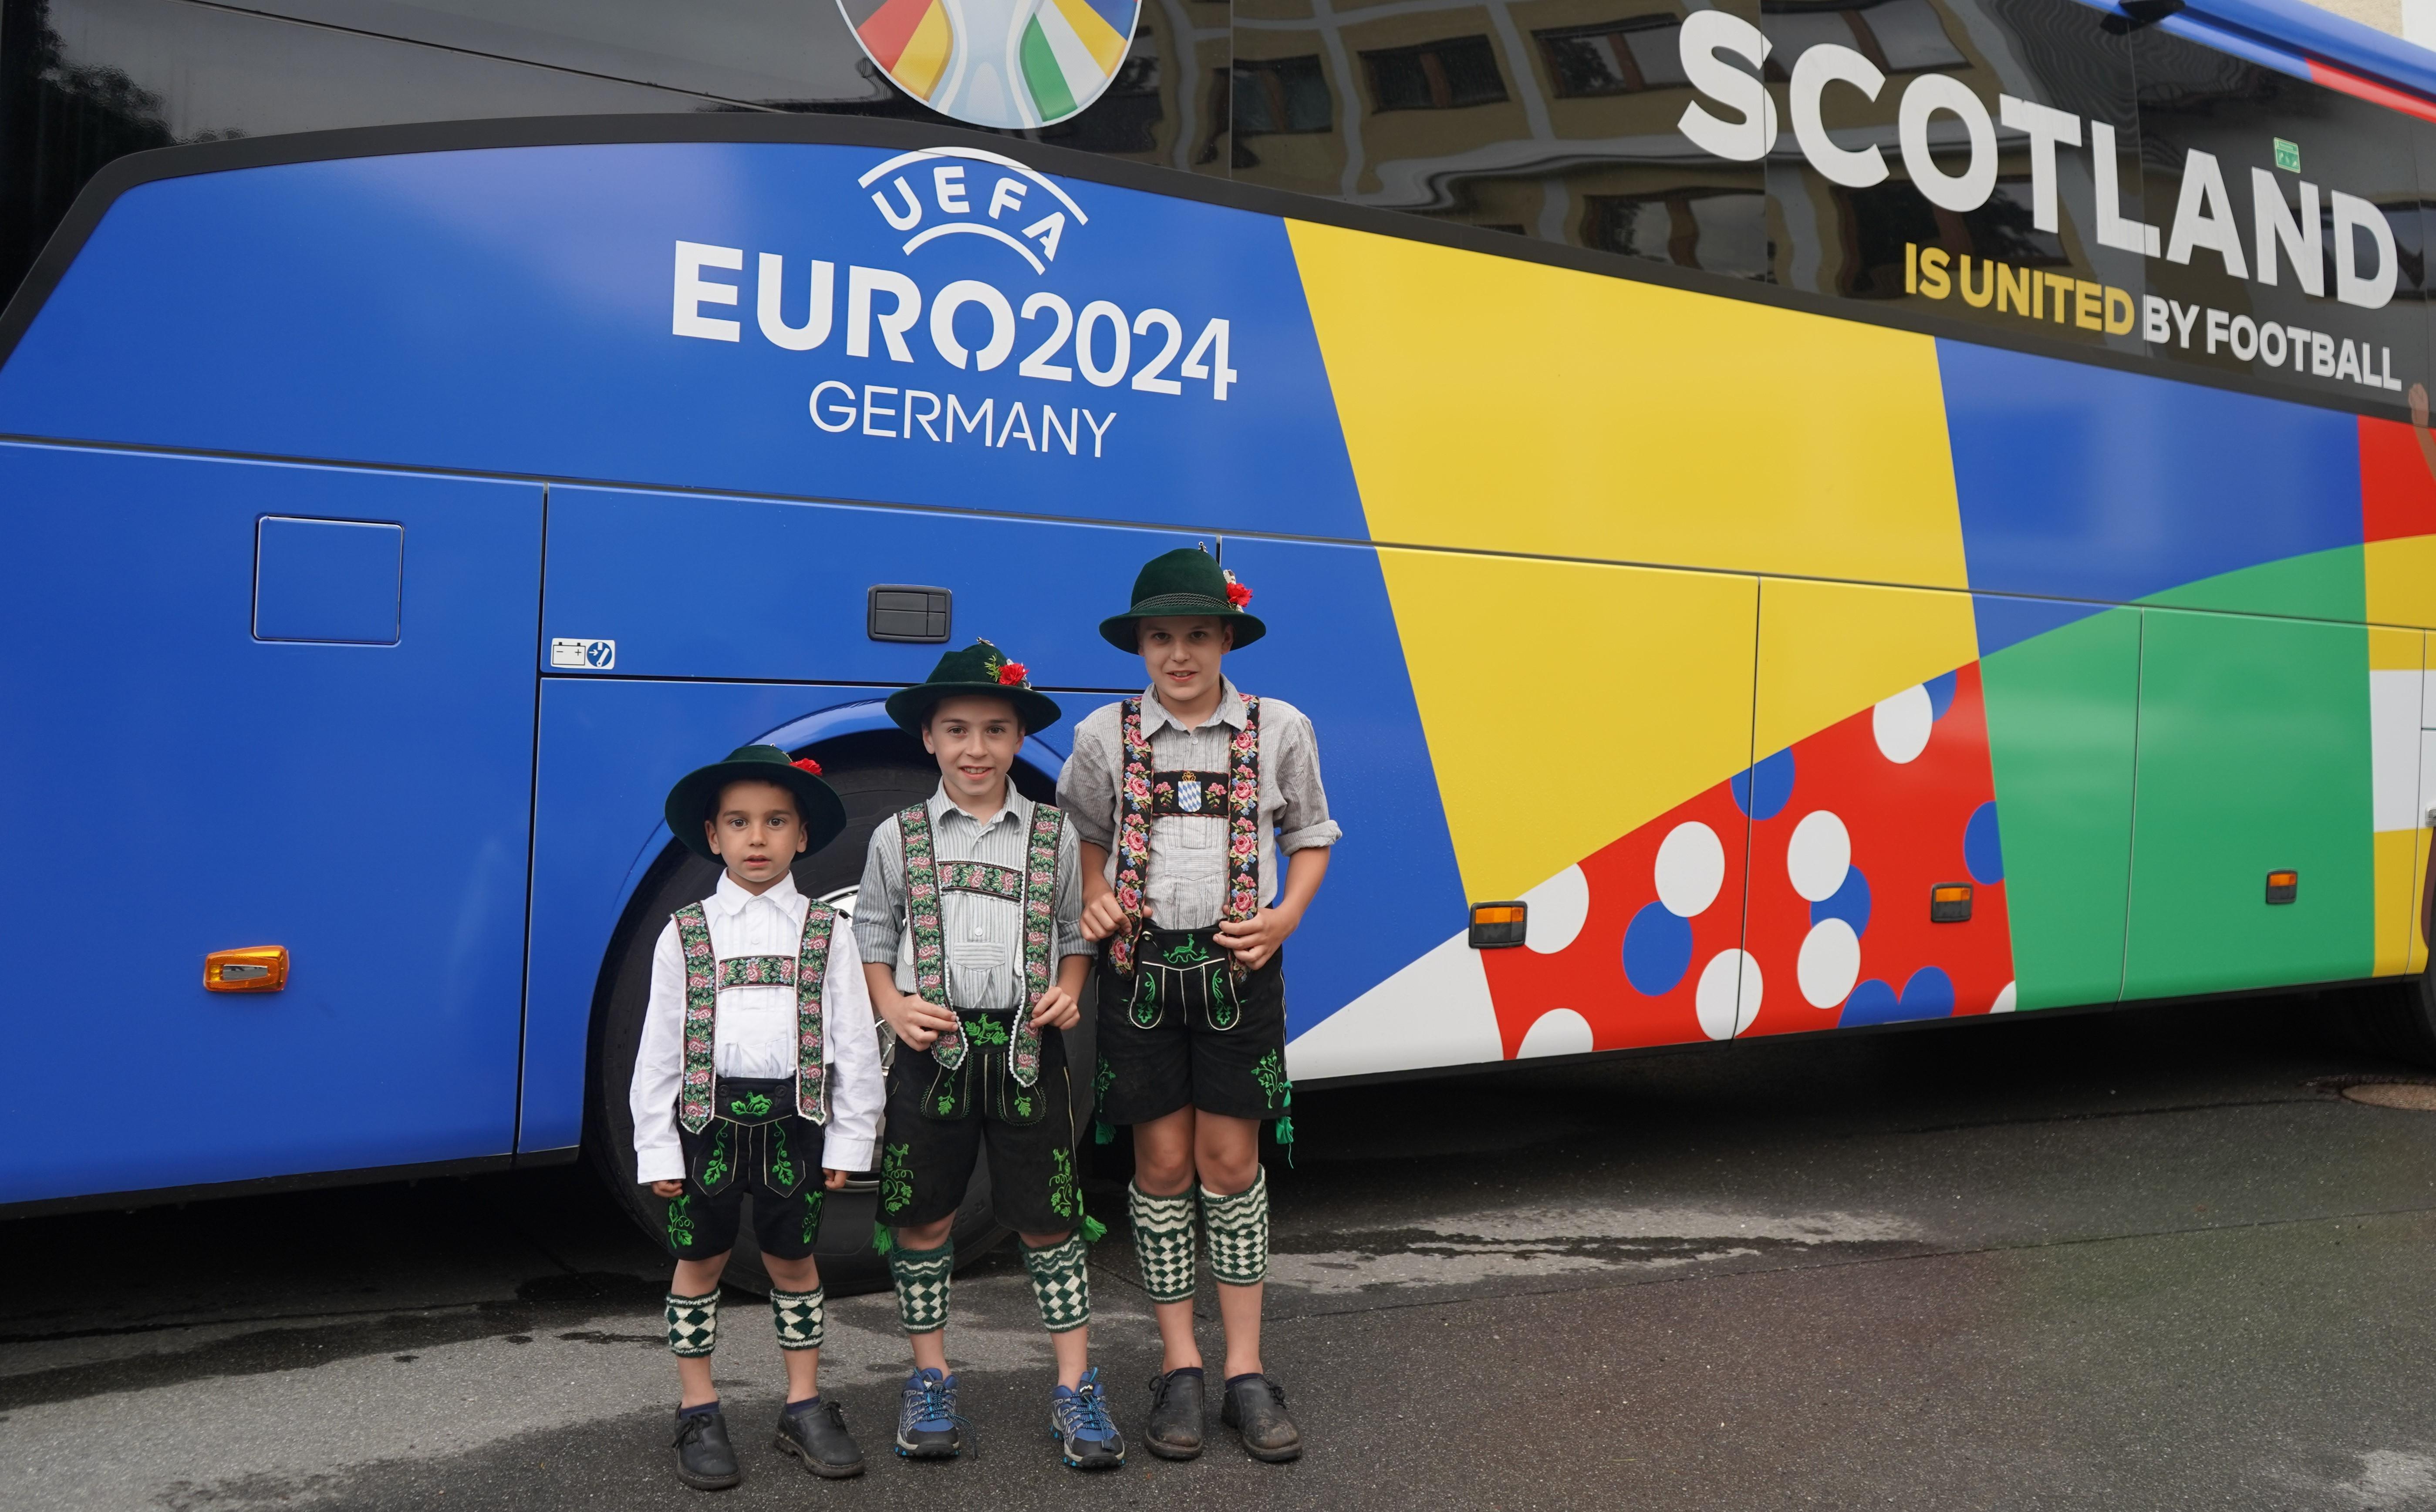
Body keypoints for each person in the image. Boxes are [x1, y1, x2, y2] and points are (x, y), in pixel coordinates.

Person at [1058, 547, 1337, 1464]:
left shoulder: (1278, 726)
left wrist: (1286, 916)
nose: (1178, 654)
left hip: (1237, 975)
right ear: (1140, 644)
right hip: (1139, 978)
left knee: (1229, 1162)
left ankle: (1246, 1373)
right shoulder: (1105, 736)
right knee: (1165, 1164)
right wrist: (1096, 899)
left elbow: (1309, 833)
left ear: (1225, 638)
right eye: (1160, 637)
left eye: (1196, 635)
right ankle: (1180, 1367)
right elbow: (1085, 841)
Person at [856, 641, 1125, 1471]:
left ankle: (1075, 1386)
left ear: (1017, 740)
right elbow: (871, 932)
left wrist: (1072, 985)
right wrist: (892, 1004)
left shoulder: (1053, 834)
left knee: (1047, 1221)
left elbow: (1072, 929)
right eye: (958, 730)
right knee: (923, 1215)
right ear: (929, 739)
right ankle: (929, 1377)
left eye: (996, 730)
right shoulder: (896, 837)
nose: (977, 748)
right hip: (929, 1057)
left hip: (1023, 1052)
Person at [630, 744, 885, 1489]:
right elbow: (657, 1053)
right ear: (712, 835)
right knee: (699, 1262)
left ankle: (802, 1403)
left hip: (795, 1126)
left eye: (776, 821)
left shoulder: (826, 932)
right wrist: (657, 1149)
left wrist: (851, 1136)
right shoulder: (684, 933)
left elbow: (854, 1046)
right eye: (739, 822)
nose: (757, 838)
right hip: (704, 1129)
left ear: (802, 835)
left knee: (792, 1261)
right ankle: (698, 1407)